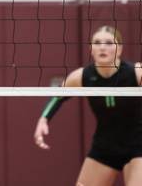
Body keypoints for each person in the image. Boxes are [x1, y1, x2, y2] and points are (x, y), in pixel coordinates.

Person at [34, 26, 142, 186]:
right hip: (105, 145)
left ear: (119, 49)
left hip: (138, 144)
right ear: (91, 49)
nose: (102, 47)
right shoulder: (82, 76)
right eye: (97, 43)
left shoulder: (136, 72)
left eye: (108, 43)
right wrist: (43, 119)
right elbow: (57, 97)